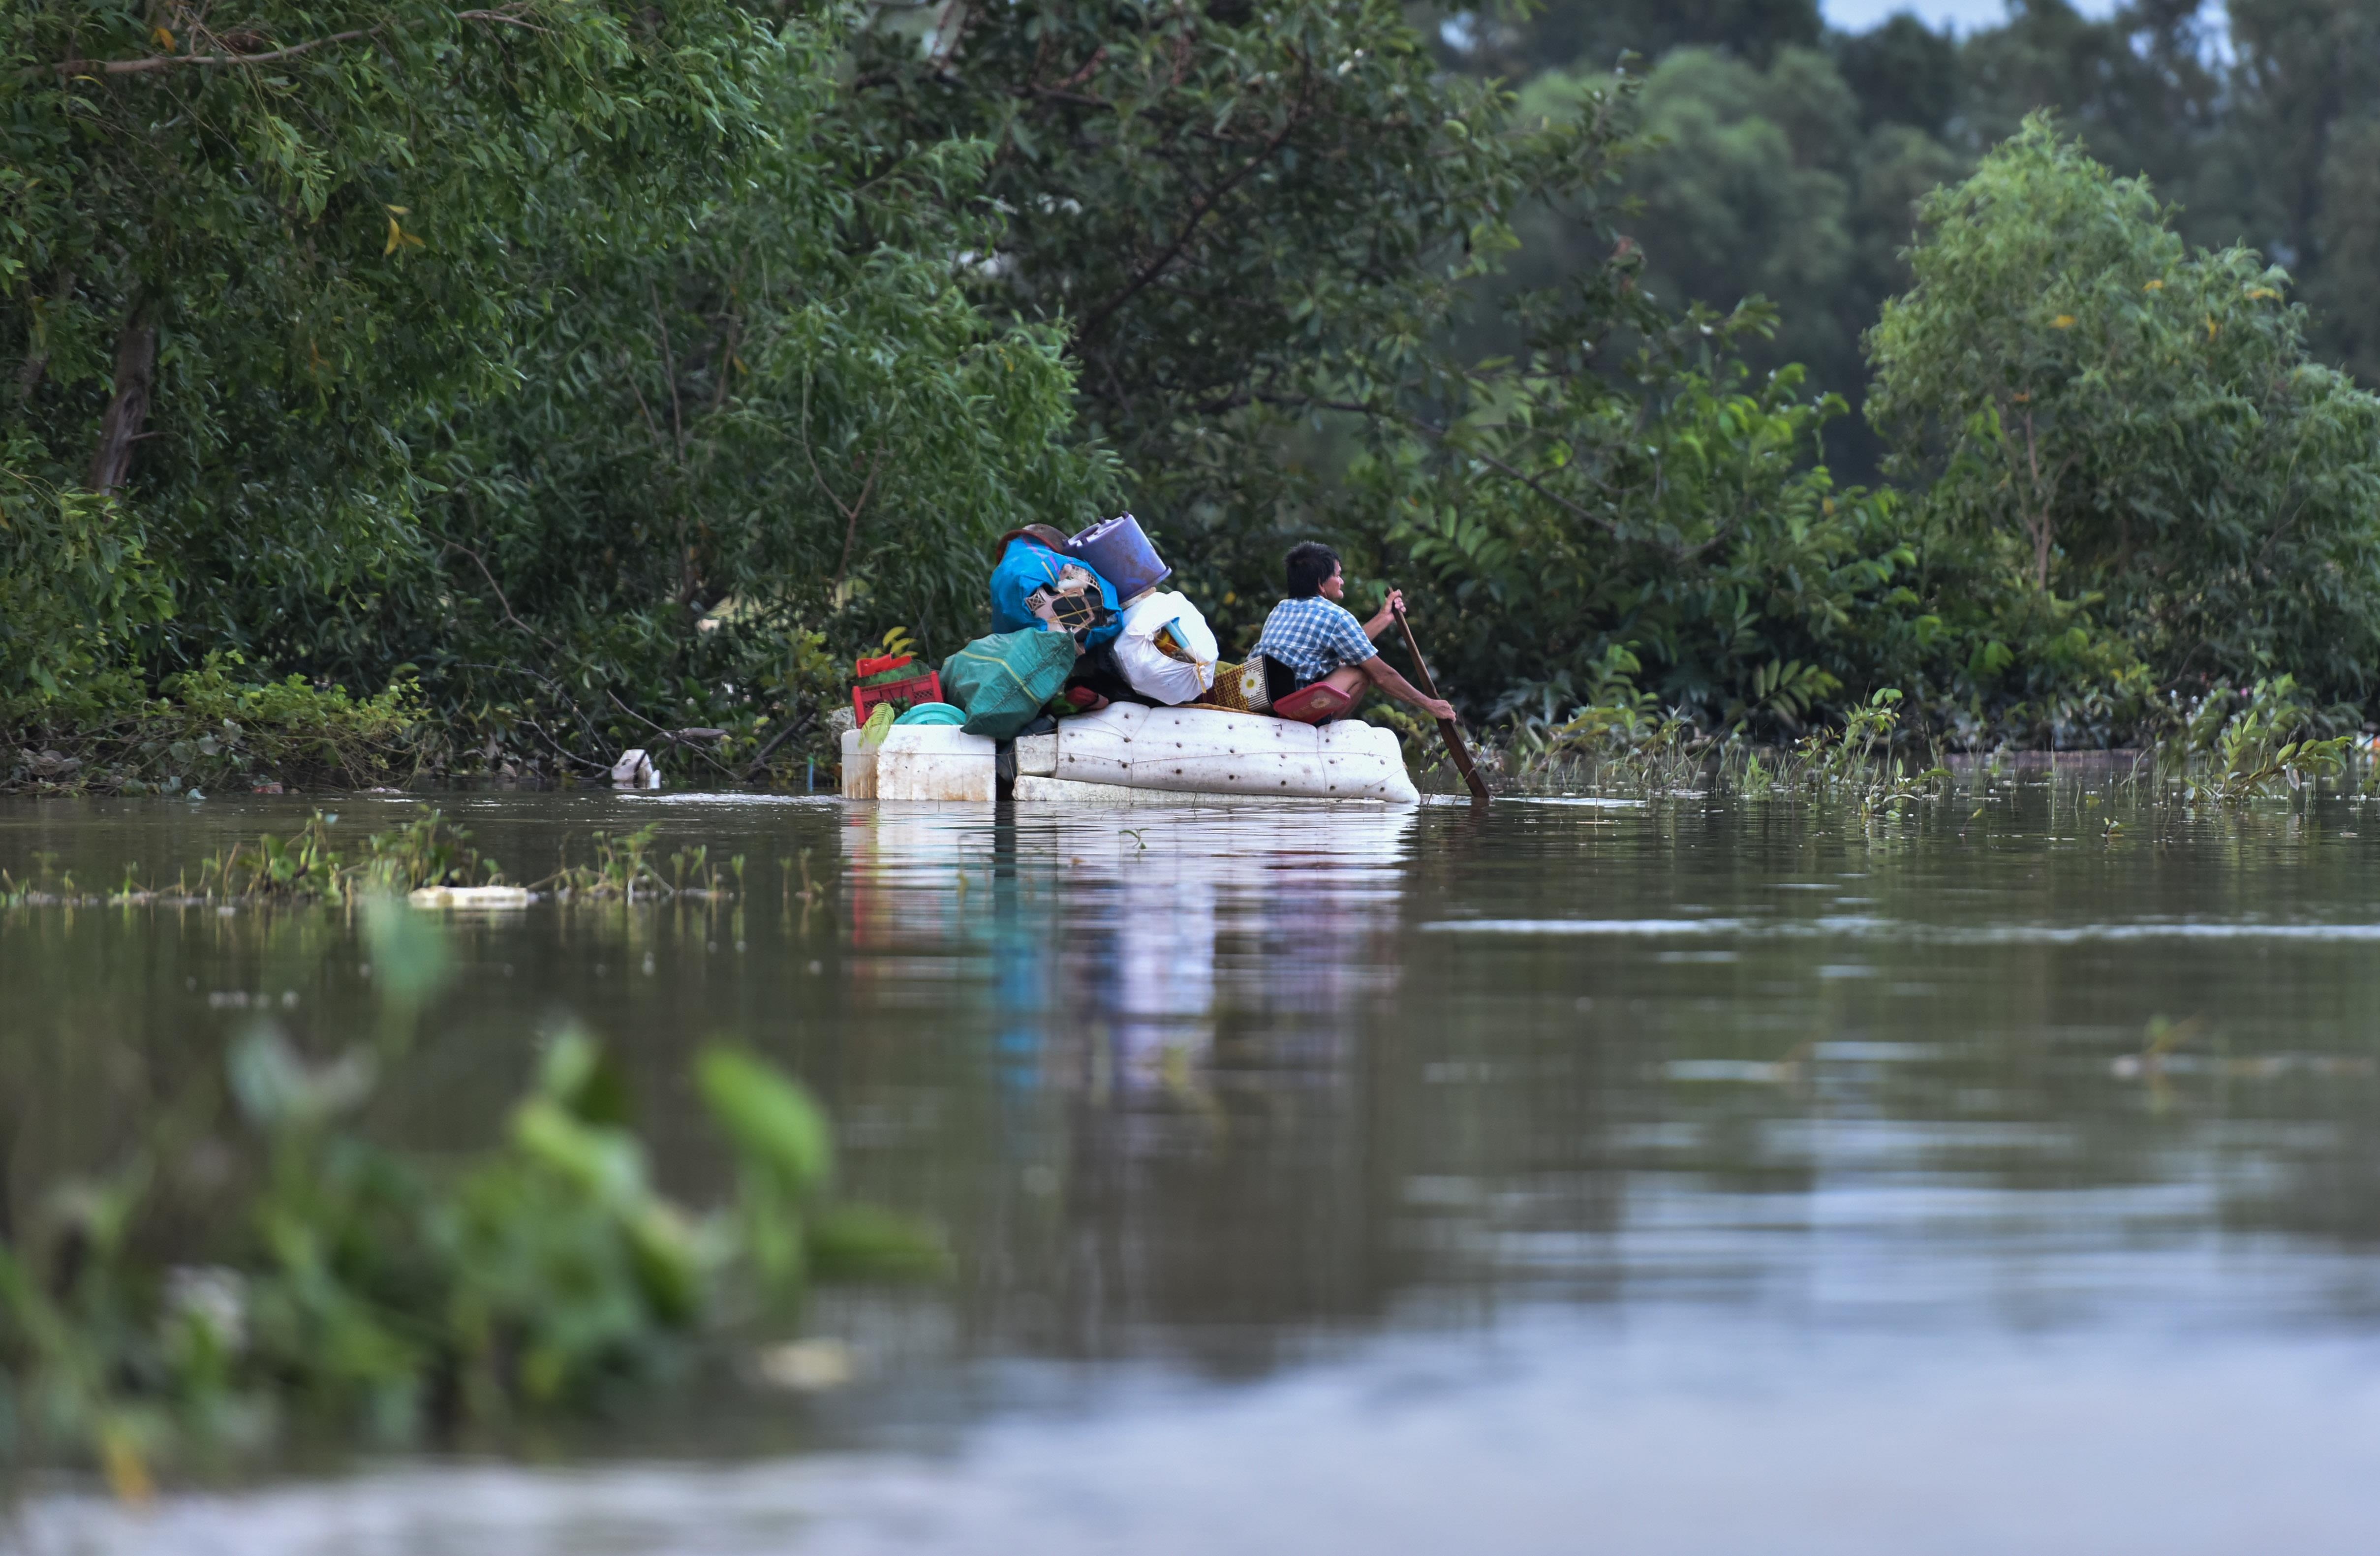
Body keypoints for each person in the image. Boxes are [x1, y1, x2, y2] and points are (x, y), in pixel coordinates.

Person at [1251, 541, 1457, 724]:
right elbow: (1382, 676)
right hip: (1292, 710)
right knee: (1360, 672)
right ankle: (1320, 731)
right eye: (1337, 575)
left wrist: (1384, 618)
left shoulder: (1280, 609)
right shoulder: (1336, 616)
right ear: (1321, 584)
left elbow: (1349, 648)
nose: (1341, 581)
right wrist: (1429, 704)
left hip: (1258, 699)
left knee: (1346, 663)